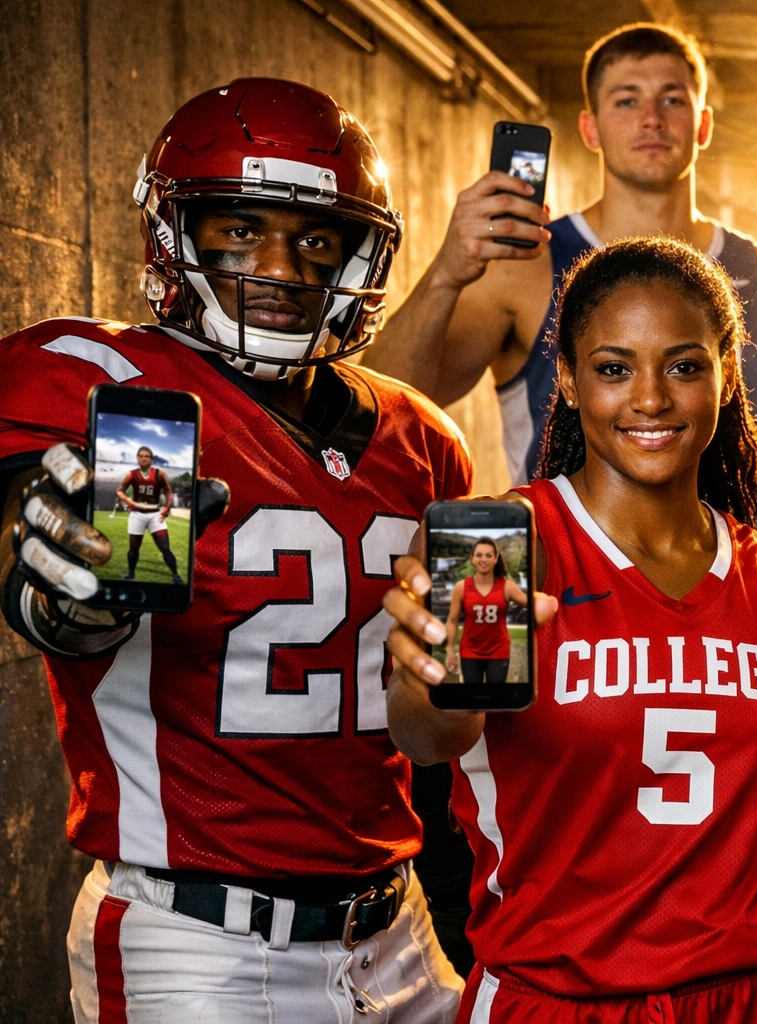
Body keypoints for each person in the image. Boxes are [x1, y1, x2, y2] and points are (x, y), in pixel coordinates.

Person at [0, 79, 468, 1020]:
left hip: (397, 928)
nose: (282, 268)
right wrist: (60, 591)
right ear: (178, 233)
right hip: (197, 940)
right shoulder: (103, 381)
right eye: (242, 230)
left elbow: (429, 719)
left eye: (317, 240)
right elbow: (24, 524)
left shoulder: (423, 438)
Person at [379, 237, 757, 1022]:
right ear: (568, 380)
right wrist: (432, 680)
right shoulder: (504, 547)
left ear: (725, 374)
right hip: (565, 1003)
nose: (651, 399)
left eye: (684, 366)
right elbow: (427, 739)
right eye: (613, 369)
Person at [364, 21, 757, 484]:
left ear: (703, 124)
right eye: (627, 100)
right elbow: (381, 408)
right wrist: (445, 274)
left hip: (738, 533)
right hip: (565, 533)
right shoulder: (524, 266)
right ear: (590, 129)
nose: (652, 118)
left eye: (672, 99)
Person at [443, 538, 529, 684]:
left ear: (496, 558)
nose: (483, 559)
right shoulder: (461, 587)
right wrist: (449, 650)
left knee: (496, 695)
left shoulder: (507, 586)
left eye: (488, 555)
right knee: (472, 696)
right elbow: (452, 620)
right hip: (470, 650)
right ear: (473, 558)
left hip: (498, 650)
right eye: (479, 555)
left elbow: (532, 605)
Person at [115, 446, 182, 584]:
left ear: (151, 459)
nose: (143, 458)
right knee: (133, 549)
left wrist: (167, 508)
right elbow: (120, 490)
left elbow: (168, 491)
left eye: (146, 456)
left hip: (155, 514)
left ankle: (175, 575)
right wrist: (128, 501)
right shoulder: (131, 474)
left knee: (165, 548)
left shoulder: (159, 473)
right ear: (137, 458)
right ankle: (131, 573)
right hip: (137, 515)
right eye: (140, 456)